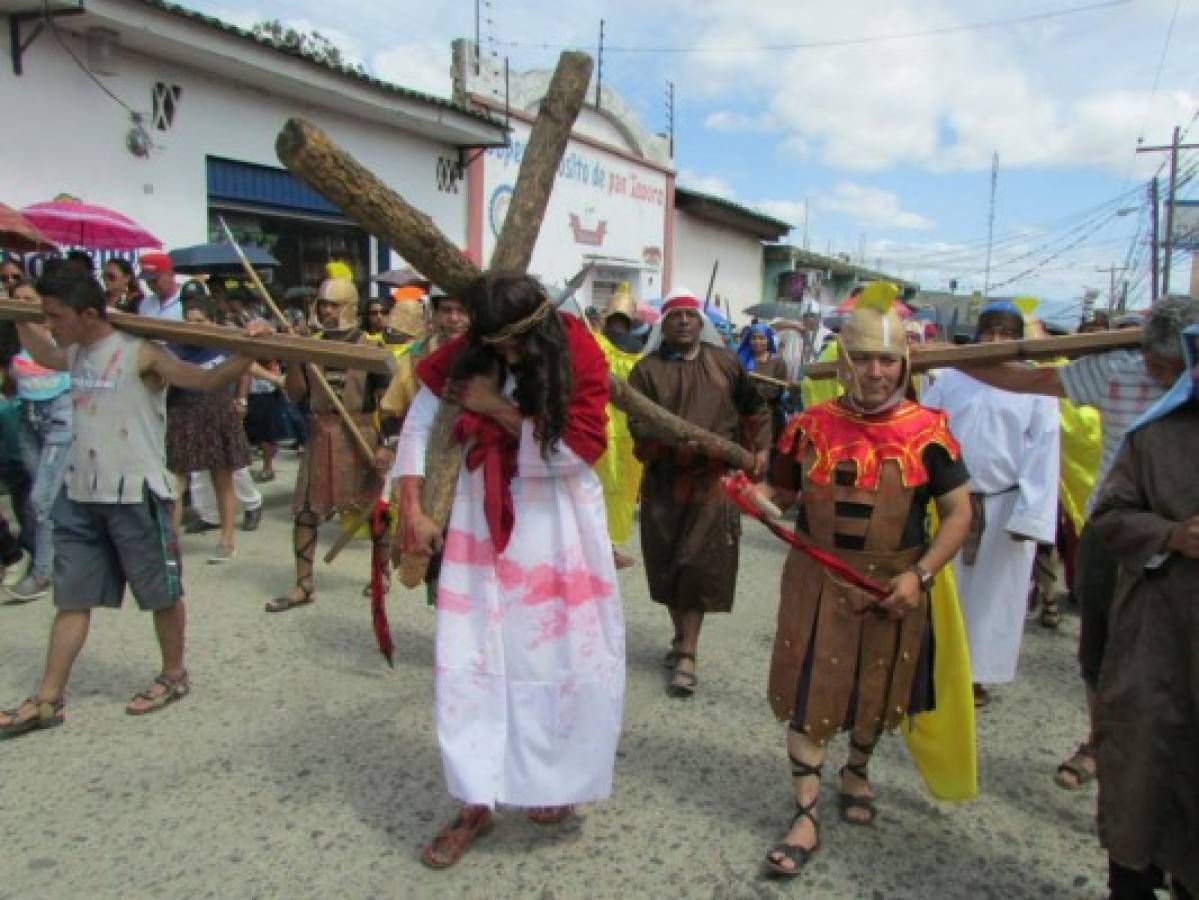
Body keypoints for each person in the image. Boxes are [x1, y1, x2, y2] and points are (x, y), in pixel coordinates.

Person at [394, 273, 623, 869]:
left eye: (514, 346)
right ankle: (477, 795)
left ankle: (549, 783)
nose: (505, 356)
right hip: (477, 520)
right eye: (495, 346)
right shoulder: (473, 351)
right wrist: (414, 507)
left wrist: (496, 408)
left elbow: (577, 452)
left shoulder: (577, 350)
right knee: (472, 658)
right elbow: (420, 424)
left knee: (553, 660)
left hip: (557, 528)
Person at [757, 282, 972, 878]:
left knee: (875, 692)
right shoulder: (806, 425)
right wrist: (757, 498)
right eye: (864, 359)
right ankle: (805, 813)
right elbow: (782, 493)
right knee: (809, 698)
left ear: (904, 363)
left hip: (893, 589)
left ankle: (857, 769)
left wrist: (921, 575)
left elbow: (959, 515)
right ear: (843, 362)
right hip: (816, 584)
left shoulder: (931, 430)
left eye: (887, 360)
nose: (876, 373)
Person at [0, 268, 270, 739]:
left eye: (55, 316)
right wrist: (20, 313)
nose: (51, 324)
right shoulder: (76, 350)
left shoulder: (140, 352)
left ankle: (174, 674)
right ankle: (48, 699)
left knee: (161, 593)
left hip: (136, 493)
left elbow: (204, 380)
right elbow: (43, 352)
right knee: (72, 598)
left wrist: (249, 349)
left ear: (88, 314)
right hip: (82, 493)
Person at [963, 296, 1199, 790]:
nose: (1161, 372)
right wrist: (949, 358)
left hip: (1189, 551)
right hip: (1112, 534)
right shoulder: (1117, 369)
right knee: (1100, 650)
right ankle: (1101, 742)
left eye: (1174, 365)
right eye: (1155, 361)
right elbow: (1027, 381)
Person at [1088, 324, 1198, 900]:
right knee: (1143, 773)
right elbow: (1110, 517)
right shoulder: (1155, 438)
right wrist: (1172, 535)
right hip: (1159, 638)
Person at [627, 287, 770, 697]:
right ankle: (681, 638)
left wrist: (759, 449)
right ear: (664, 324)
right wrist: (673, 443)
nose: (684, 322)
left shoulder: (724, 363)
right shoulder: (646, 371)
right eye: (675, 317)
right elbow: (638, 426)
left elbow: (753, 409)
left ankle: (688, 651)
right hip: (666, 483)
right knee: (672, 565)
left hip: (714, 483)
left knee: (697, 563)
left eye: (691, 315)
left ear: (701, 323)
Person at [922, 301, 1060, 706]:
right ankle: (934, 668)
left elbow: (1044, 451)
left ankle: (976, 677)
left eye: (1006, 333)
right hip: (950, 502)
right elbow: (926, 430)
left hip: (1003, 507)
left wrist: (1030, 516)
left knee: (993, 598)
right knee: (943, 591)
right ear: (977, 335)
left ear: (1019, 338)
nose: (996, 341)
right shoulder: (951, 377)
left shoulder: (1036, 387)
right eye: (990, 332)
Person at [265, 271, 392, 613]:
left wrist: (386, 443)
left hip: (360, 432)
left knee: (375, 510)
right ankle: (304, 583)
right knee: (306, 512)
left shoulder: (372, 348)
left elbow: (388, 403)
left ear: (349, 307)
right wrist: (295, 355)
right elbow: (295, 394)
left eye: (334, 306)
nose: (326, 312)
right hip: (321, 433)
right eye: (323, 305)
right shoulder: (311, 345)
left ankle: (381, 576)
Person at [165, 292, 255, 563]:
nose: (194, 326)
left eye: (200, 320)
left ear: (213, 321)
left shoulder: (224, 344)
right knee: (175, 484)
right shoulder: (171, 348)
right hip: (182, 414)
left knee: (222, 480)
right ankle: (170, 544)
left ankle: (227, 540)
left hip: (218, 412)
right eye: (188, 320)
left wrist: (242, 397)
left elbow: (247, 366)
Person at [7, 280, 74, 600]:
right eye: (15, 298)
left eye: (27, 299)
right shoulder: (10, 336)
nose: (20, 303)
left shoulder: (59, 334)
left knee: (43, 497)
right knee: (43, 496)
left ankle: (43, 571)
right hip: (27, 417)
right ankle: (62, 557)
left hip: (60, 415)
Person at [594, 283, 644, 569]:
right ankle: (606, 547)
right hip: (624, 428)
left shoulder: (596, 343)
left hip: (603, 423)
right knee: (617, 489)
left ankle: (604, 547)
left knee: (601, 486)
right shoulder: (641, 352)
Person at [738, 322, 790, 441]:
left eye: (762, 338)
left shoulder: (778, 362)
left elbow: (777, 390)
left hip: (769, 414)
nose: (757, 342)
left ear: (768, 340)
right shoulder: (741, 360)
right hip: (744, 414)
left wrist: (752, 390)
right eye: (754, 338)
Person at [136, 251, 183, 320]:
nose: (151, 285)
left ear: (170, 274)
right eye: (147, 280)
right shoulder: (145, 303)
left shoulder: (187, 302)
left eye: (154, 280)